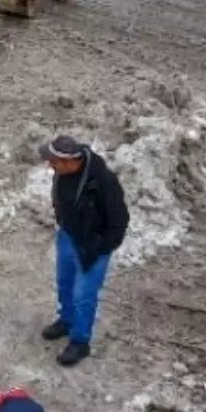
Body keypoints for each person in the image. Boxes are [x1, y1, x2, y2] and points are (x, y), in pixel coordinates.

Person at [38, 134, 130, 367]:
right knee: (65, 283)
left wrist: (101, 247)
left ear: (70, 162)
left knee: (83, 295)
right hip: (68, 236)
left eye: (54, 162)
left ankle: (80, 341)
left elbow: (119, 220)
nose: (50, 166)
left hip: (93, 245)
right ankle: (66, 320)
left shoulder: (103, 182)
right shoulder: (63, 173)